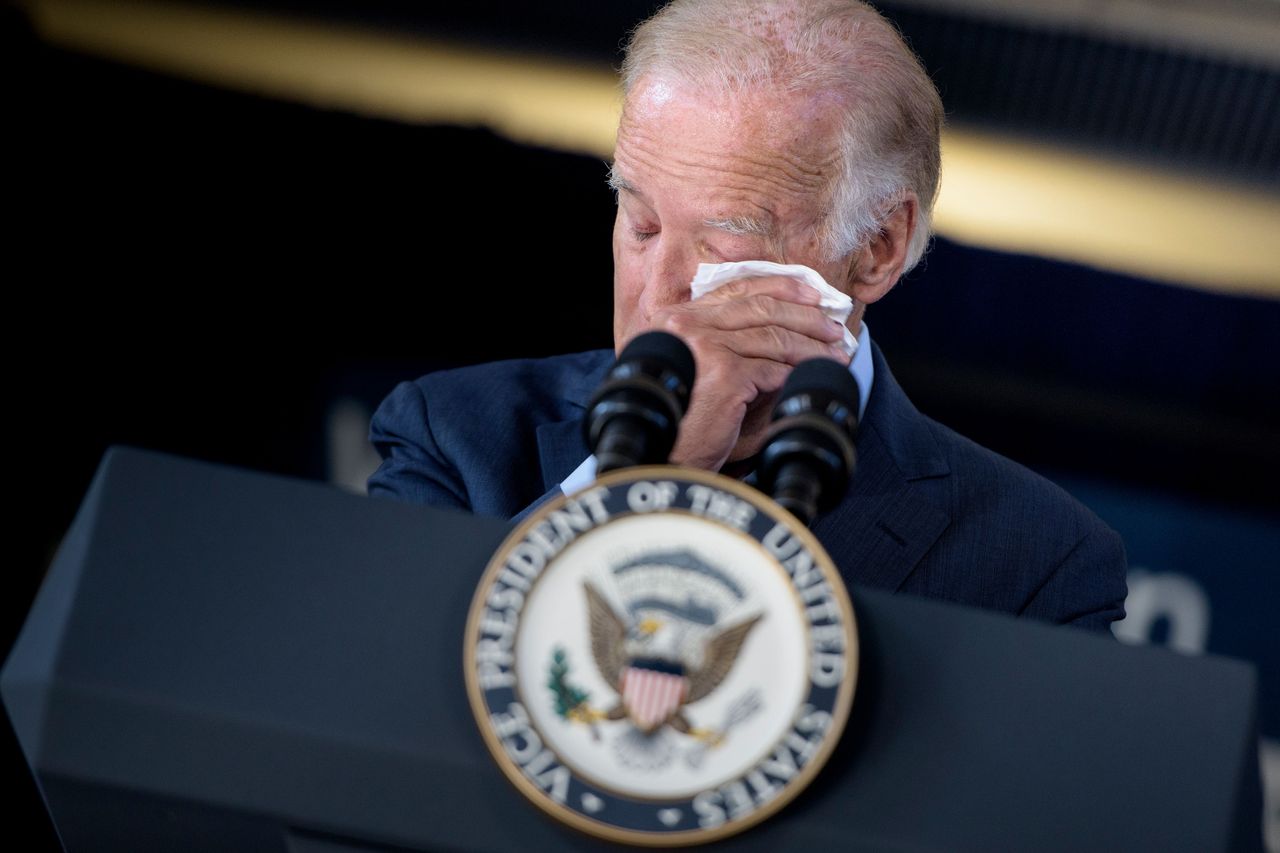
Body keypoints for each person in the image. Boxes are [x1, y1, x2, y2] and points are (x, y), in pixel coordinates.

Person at [368, 0, 1127, 630]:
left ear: (876, 249)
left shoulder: (1036, 563)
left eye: (722, 242)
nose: (660, 291)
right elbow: (384, 680)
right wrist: (641, 479)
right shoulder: (454, 433)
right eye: (640, 223)